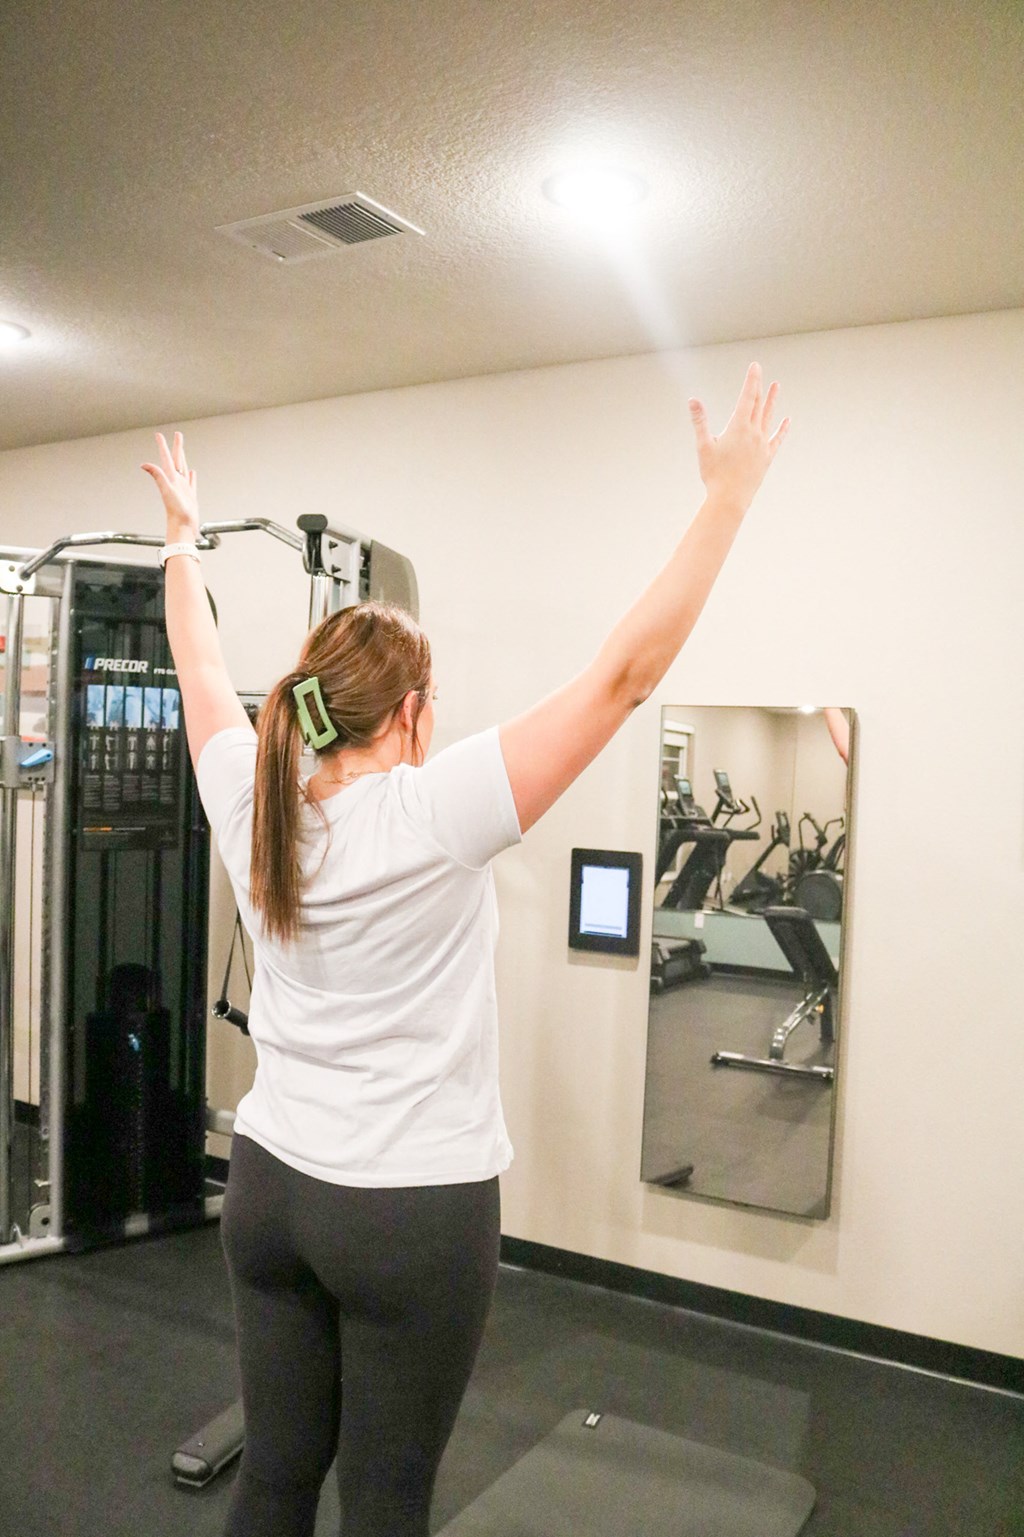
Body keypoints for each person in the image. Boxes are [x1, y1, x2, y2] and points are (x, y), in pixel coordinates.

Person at [141, 362, 789, 1537]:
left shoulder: (250, 799)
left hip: (270, 1188)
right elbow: (625, 677)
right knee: (386, 1498)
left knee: (277, 1475)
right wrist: (728, 498)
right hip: (408, 1216)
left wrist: (182, 542)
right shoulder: (434, 813)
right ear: (411, 712)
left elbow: (198, 667)